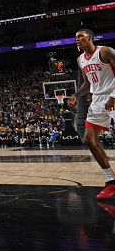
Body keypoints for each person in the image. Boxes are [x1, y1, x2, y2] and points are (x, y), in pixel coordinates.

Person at [68, 29, 115, 199]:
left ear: (90, 38)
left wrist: (113, 96)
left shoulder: (105, 51)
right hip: (97, 100)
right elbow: (87, 83)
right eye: (76, 38)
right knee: (89, 139)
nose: (77, 40)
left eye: (80, 37)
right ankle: (111, 181)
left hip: (113, 96)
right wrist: (75, 95)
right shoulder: (80, 60)